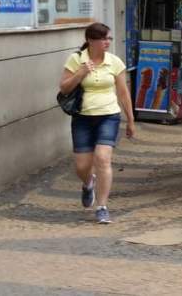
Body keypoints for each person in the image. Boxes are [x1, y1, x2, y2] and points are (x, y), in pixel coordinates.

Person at [58, 22, 135, 224]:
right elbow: (64, 89)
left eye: (109, 38)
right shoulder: (76, 60)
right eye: (104, 39)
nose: (107, 42)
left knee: (103, 158)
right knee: (82, 166)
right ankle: (88, 183)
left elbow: (123, 93)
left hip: (109, 116)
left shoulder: (114, 62)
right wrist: (81, 73)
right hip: (82, 117)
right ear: (91, 41)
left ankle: (102, 206)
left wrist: (131, 119)